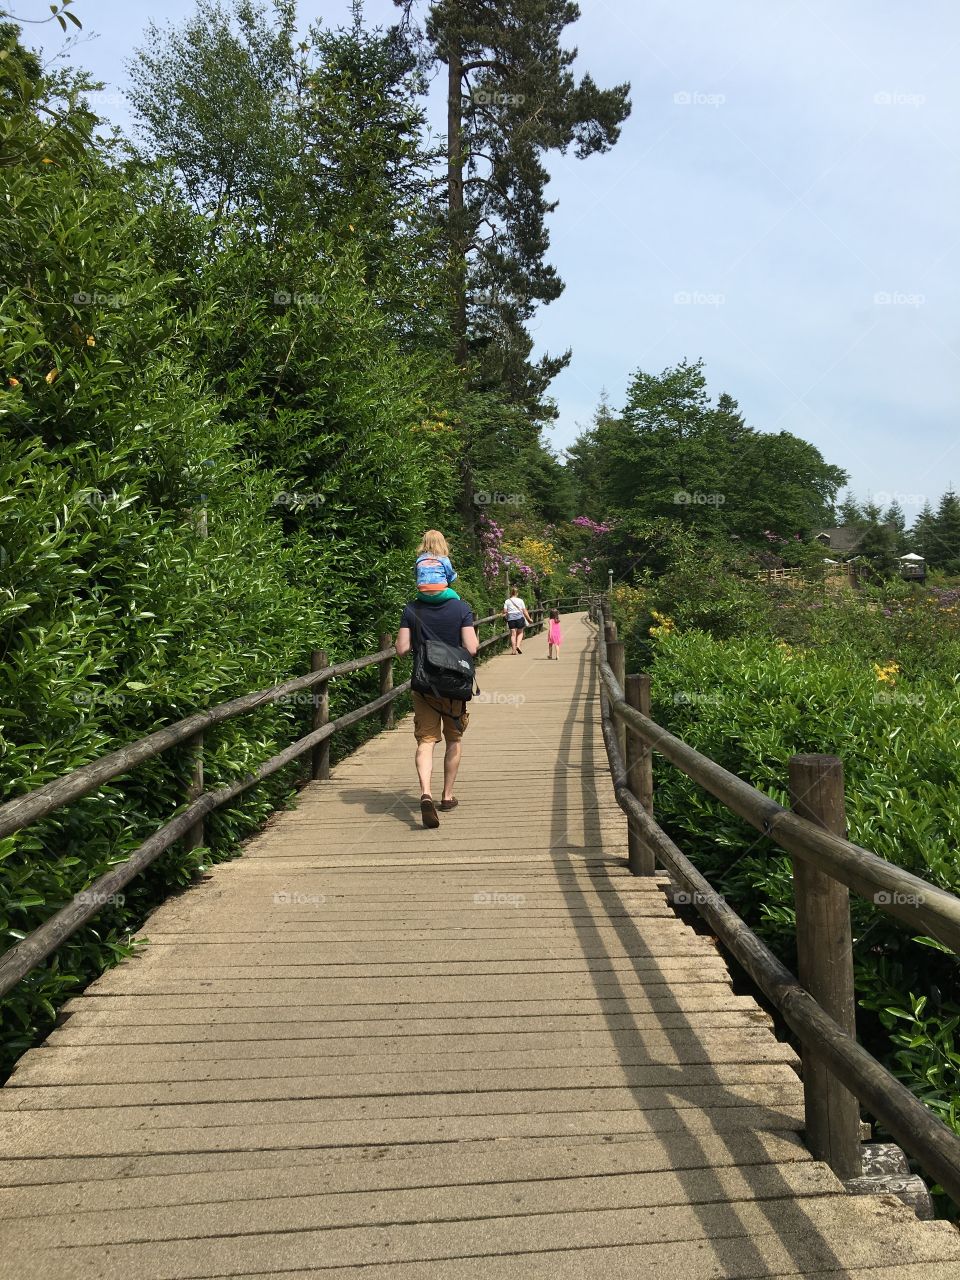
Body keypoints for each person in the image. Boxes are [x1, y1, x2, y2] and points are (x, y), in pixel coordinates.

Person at [395, 594, 478, 828]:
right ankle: (447, 796)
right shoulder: (461, 607)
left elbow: (402, 648)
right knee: (454, 739)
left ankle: (426, 793)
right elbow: (471, 647)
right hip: (454, 686)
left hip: (424, 686)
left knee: (426, 741)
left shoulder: (412, 608)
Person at [415, 529, 460, 603]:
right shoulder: (443, 558)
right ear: (442, 544)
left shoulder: (419, 559)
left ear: (424, 543)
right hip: (440, 592)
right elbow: (450, 576)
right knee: (457, 598)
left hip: (423, 594)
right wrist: (455, 576)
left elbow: (416, 575)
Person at [503, 587, 533, 654]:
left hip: (511, 618)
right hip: (519, 617)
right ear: (517, 593)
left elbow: (505, 611)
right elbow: (524, 611)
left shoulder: (507, 601)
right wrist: (529, 618)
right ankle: (518, 646)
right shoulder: (520, 600)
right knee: (520, 632)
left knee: (513, 635)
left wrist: (507, 612)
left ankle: (513, 650)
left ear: (511, 593)